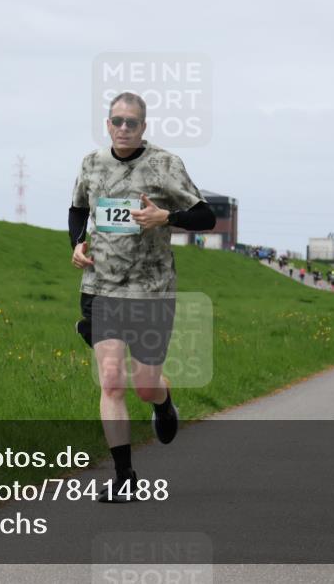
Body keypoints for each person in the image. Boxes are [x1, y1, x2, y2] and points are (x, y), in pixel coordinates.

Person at [70, 91, 216, 498]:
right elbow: (79, 209)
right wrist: (76, 244)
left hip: (151, 290)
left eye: (130, 123)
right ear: (107, 123)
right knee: (112, 381)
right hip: (101, 288)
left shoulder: (165, 165)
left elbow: (206, 216)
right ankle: (124, 478)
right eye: (115, 121)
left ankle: (162, 402)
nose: (122, 128)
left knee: (144, 384)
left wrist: (165, 216)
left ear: (143, 127)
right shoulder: (91, 163)